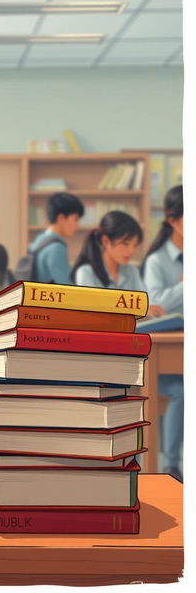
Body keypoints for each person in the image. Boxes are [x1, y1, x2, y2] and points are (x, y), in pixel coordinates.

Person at [142, 185, 183, 481]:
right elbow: (156, 303)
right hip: (163, 352)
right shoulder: (157, 260)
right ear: (174, 220)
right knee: (182, 392)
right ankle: (171, 466)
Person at [71, 210, 164, 317]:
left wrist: (153, 309)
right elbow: (92, 313)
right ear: (106, 241)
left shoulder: (131, 271)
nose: (131, 251)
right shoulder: (85, 272)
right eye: (126, 244)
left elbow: (146, 303)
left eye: (135, 245)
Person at [29, 192, 84, 284]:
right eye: (75, 219)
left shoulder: (40, 240)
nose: (77, 225)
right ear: (61, 218)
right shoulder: (56, 248)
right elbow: (68, 287)